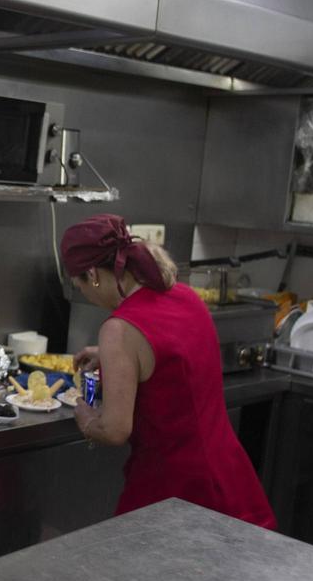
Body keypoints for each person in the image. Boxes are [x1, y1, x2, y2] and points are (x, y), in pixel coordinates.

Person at [61, 214, 275, 529]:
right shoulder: (186, 297)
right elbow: (169, 359)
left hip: (173, 492)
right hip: (228, 478)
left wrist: (87, 419)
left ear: (92, 274)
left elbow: (114, 430)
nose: (85, 294)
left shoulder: (119, 329)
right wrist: (113, 357)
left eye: (79, 285)